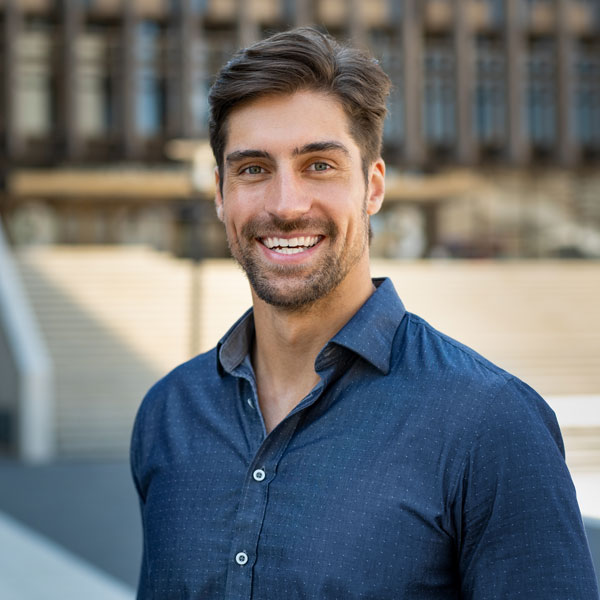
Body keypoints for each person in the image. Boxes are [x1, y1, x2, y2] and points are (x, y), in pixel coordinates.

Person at [130, 27, 599, 599]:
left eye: (319, 166)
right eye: (253, 169)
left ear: (373, 187)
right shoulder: (168, 414)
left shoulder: (491, 423)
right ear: (221, 194)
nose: (286, 205)